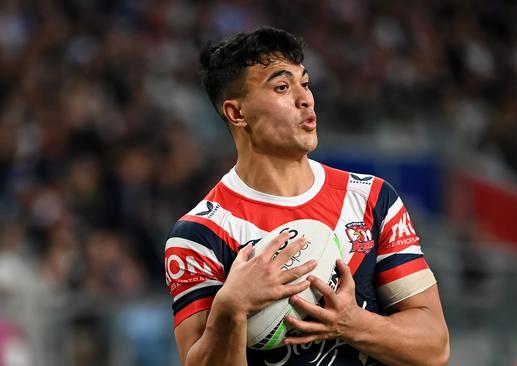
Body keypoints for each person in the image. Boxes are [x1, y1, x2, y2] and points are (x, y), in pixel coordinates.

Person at [163, 27, 450, 366]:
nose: (305, 99)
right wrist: (230, 308)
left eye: (305, 83)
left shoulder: (371, 198)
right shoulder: (201, 235)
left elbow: (434, 348)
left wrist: (351, 323)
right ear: (237, 113)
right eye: (282, 87)